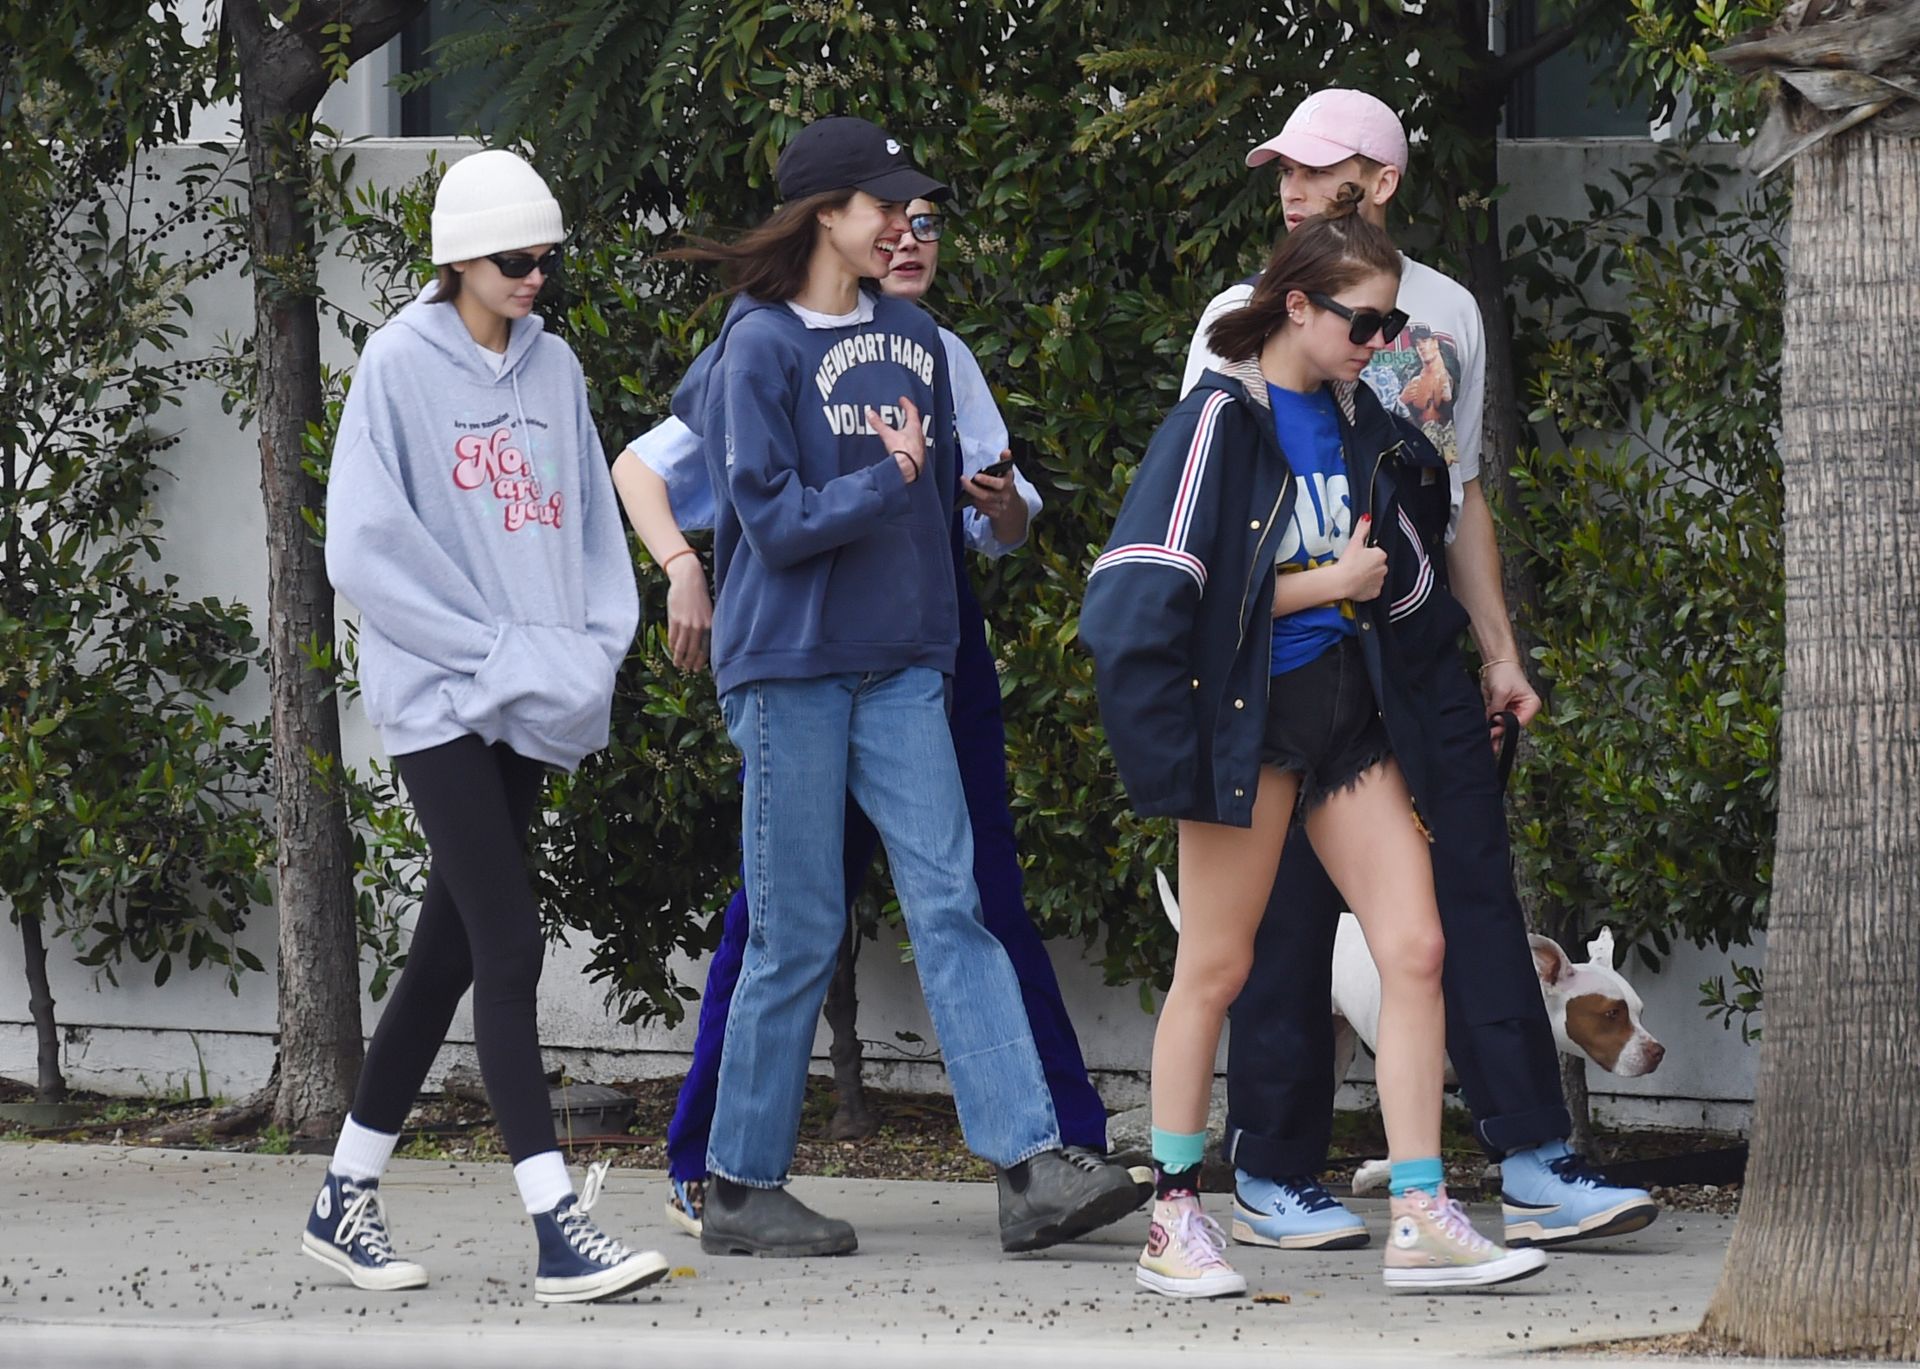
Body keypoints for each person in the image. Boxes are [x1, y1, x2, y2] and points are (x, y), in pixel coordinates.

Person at [1181, 89, 1658, 1252]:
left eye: (1318, 167)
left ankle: (1536, 1162)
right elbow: (1210, 507)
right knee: (1285, 915)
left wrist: (1499, 651)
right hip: (1297, 659)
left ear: (1381, 182)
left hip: (1419, 649)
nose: (1291, 186)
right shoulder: (1239, 317)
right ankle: (1273, 1174)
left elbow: (1463, 498)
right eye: (1281, 169)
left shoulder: (1447, 313)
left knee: (1474, 900)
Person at [613, 197, 1139, 1238]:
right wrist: (684, 562)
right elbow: (741, 502)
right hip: (795, 666)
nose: (908, 234)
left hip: (907, 664)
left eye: (927, 219)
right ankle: (727, 1176)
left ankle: (1034, 1165)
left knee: (960, 904)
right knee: (788, 927)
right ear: (826, 218)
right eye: (887, 212)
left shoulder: (923, 344)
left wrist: (989, 519)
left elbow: (993, 509)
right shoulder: (755, 346)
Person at [1083, 195, 1549, 1296]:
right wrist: (1324, 586)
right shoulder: (1217, 421)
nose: (1380, 346)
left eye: (1391, 325)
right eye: (1362, 322)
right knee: (1218, 966)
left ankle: (1423, 1210)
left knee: (1418, 948)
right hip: (1252, 733)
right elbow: (1146, 601)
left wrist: (1485, 667)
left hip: (1346, 724)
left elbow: (1414, 575)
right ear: (1296, 306)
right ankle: (1175, 1214)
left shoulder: (1366, 428)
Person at [306, 149, 667, 1305]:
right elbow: (362, 543)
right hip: (440, 699)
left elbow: (583, 533)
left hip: (530, 695)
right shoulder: (399, 368)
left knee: (450, 954)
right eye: (517, 259)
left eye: (547, 259)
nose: (537, 277)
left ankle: (343, 1194)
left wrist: (591, 644)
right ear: (459, 257)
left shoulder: (554, 367)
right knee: (510, 949)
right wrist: (486, 649)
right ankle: (557, 1222)